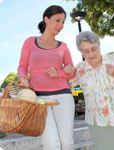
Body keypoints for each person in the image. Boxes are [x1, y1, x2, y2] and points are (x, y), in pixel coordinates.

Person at [17, 5, 75, 150]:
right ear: (46, 19)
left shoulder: (63, 46)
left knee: (67, 143)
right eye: (57, 20)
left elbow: (72, 72)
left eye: (63, 22)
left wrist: (60, 73)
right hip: (39, 99)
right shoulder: (30, 42)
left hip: (64, 96)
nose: (61, 25)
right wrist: (23, 78)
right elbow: (22, 66)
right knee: (51, 144)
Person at [67, 31, 114, 150]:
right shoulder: (79, 69)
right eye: (86, 51)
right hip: (97, 122)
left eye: (93, 48)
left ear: (99, 46)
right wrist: (64, 72)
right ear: (81, 52)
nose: (90, 54)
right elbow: (65, 86)